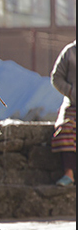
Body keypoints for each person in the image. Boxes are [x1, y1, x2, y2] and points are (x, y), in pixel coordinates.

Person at [50, 39, 76, 186]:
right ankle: (69, 174)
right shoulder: (70, 52)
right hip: (72, 105)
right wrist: (71, 91)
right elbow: (56, 77)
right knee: (66, 128)